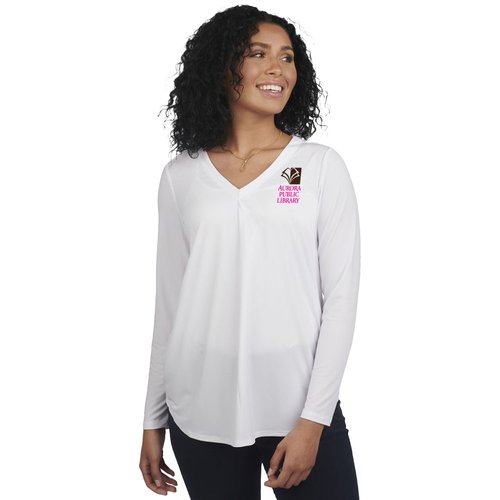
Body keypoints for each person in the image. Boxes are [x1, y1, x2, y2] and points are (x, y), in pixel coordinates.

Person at [139, 5, 361, 499]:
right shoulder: (180, 176)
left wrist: (314, 421)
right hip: (199, 411)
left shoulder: (320, 168)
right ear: (222, 67)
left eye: (287, 57)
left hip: (298, 408)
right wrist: (153, 418)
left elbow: (341, 302)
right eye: (257, 54)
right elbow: (170, 306)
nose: (277, 68)